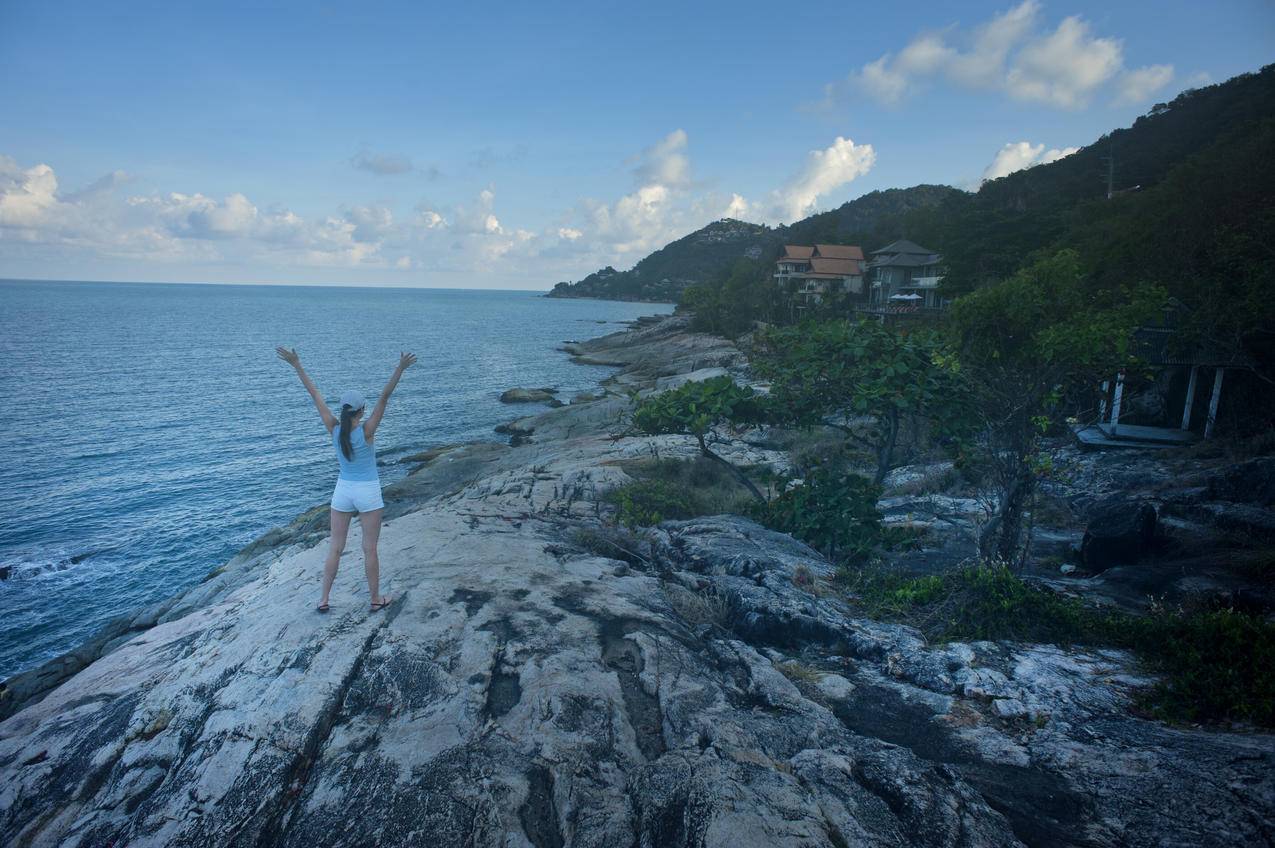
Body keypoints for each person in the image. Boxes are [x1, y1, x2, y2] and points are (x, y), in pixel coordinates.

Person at [275, 347, 417, 612]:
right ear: (361, 411)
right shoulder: (367, 430)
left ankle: (324, 600)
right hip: (368, 493)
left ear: (343, 411)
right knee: (369, 549)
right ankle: (375, 600)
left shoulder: (333, 427)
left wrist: (297, 364)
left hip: (342, 492)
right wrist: (400, 368)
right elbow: (385, 397)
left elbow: (314, 394)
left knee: (335, 548)